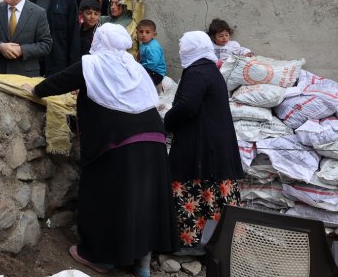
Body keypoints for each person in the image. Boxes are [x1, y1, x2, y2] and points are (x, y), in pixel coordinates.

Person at [27, 23, 178, 277]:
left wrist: (33, 89)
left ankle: (101, 259)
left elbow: (55, 84)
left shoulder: (93, 64)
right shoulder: (135, 67)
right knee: (145, 200)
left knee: (109, 199)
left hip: (117, 143)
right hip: (153, 140)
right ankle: (142, 264)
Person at [164, 31, 244, 255]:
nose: (181, 51)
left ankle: (192, 244)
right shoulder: (209, 69)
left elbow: (187, 106)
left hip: (201, 145)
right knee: (214, 192)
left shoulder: (197, 72)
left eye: (184, 47)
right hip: (214, 144)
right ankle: (221, 243)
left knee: (194, 188)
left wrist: (166, 121)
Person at [26, 0, 80, 76]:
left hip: (58, 66)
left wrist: (73, 72)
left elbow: (74, 37)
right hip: (31, 65)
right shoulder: (27, 0)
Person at [137, 19, 166, 86]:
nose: (143, 35)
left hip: (155, 73)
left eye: (147, 32)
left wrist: (139, 68)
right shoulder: (144, 44)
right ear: (137, 33)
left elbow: (152, 64)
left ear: (154, 34)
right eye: (141, 32)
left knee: (140, 84)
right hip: (148, 69)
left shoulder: (153, 47)